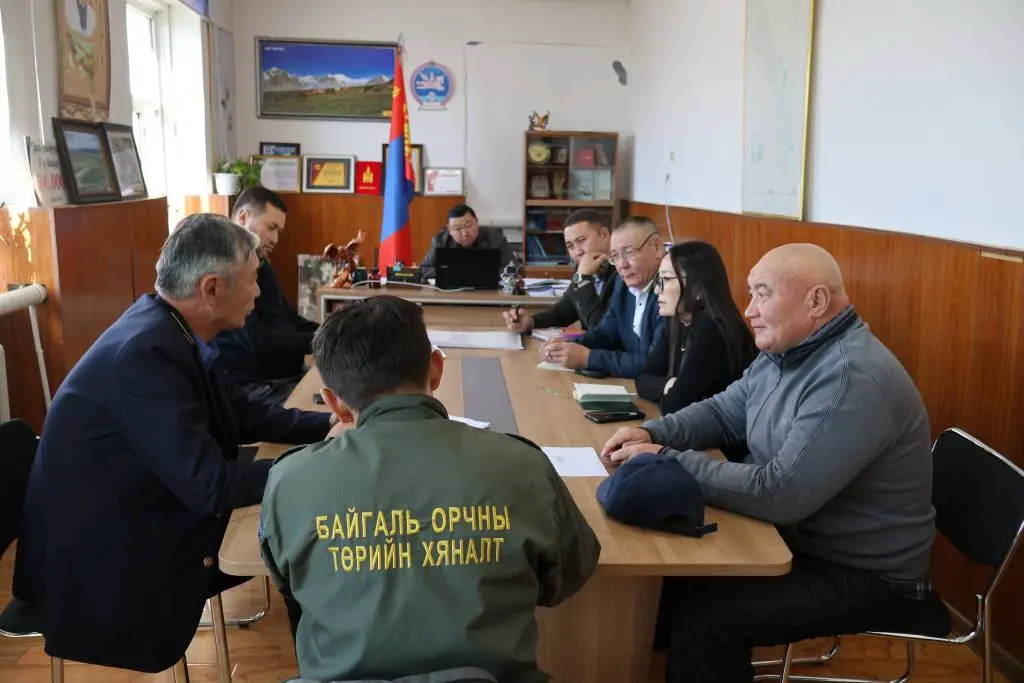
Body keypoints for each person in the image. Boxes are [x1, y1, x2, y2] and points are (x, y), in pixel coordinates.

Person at [12, 214, 338, 674]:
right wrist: (328, 459)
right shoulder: (144, 355)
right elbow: (211, 486)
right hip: (106, 564)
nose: (258, 293)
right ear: (211, 288)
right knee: (302, 543)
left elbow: (242, 413)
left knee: (294, 529)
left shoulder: (169, 328)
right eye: (252, 280)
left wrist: (330, 425)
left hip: (140, 512)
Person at [601, 243, 936, 683]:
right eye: (751, 293)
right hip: (805, 538)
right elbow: (724, 410)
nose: (749, 309)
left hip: (865, 573)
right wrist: (653, 433)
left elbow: (779, 494)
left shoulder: (849, 378)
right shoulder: (788, 349)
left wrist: (667, 460)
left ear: (816, 301)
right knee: (673, 573)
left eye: (763, 293)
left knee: (707, 620)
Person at [259, 295, 600, 683]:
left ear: (334, 404)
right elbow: (568, 575)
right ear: (436, 369)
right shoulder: (523, 465)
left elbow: (289, 583)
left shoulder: (290, 479)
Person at [215, 186, 318, 404]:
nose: (275, 239)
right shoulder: (226, 268)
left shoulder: (260, 262)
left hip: (287, 376)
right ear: (243, 218)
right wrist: (323, 340)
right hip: (258, 387)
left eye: (278, 231)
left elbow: (287, 317)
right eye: (271, 228)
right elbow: (258, 341)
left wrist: (330, 330)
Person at [635, 240, 757, 416]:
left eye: (666, 279)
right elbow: (642, 380)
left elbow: (674, 405)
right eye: (658, 280)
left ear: (698, 287)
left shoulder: (712, 329)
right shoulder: (677, 322)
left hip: (727, 432)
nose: (656, 290)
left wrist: (671, 389)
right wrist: (669, 385)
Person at [540, 216, 666, 378]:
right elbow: (607, 332)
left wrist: (587, 358)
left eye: (629, 252)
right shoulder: (624, 282)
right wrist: (566, 346)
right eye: (615, 257)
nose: (622, 265)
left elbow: (653, 364)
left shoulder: (670, 290)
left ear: (657, 247)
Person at [502, 209, 617, 334]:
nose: (577, 252)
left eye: (581, 240)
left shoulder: (623, 273)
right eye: (570, 246)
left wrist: (582, 279)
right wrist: (531, 321)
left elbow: (603, 329)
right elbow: (565, 309)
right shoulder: (582, 268)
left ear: (604, 235)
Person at [419, 204, 517, 282]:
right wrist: (450, 272)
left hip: (488, 292)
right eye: (457, 228)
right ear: (449, 230)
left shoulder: (495, 238)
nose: (464, 233)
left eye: (468, 226)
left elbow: (513, 268)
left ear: (477, 222)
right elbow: (424, 269)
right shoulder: (440, 241)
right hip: (451, 293)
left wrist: (478, 273)